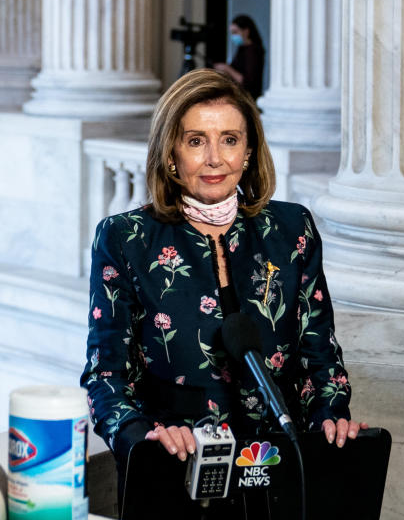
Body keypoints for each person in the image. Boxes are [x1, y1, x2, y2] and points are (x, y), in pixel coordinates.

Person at [81, 68, 363, 472]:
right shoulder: (125, 238)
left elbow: (320, 357)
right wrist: (141, 436)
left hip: (279, 466)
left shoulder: (291, 229)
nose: (215, 158)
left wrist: (331, 417)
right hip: (175, 466)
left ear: (248, 151)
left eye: (229, 140)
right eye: (196, 141)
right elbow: (105, 375)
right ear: (170, 154)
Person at [213, 14, 265, 102]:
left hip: (248, 99)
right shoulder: (242, 49)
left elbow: (247, 82)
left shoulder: (253, 51)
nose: (233, 36)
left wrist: (227, 68)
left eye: (235, 32)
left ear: (246, 31)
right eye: (232, 33)